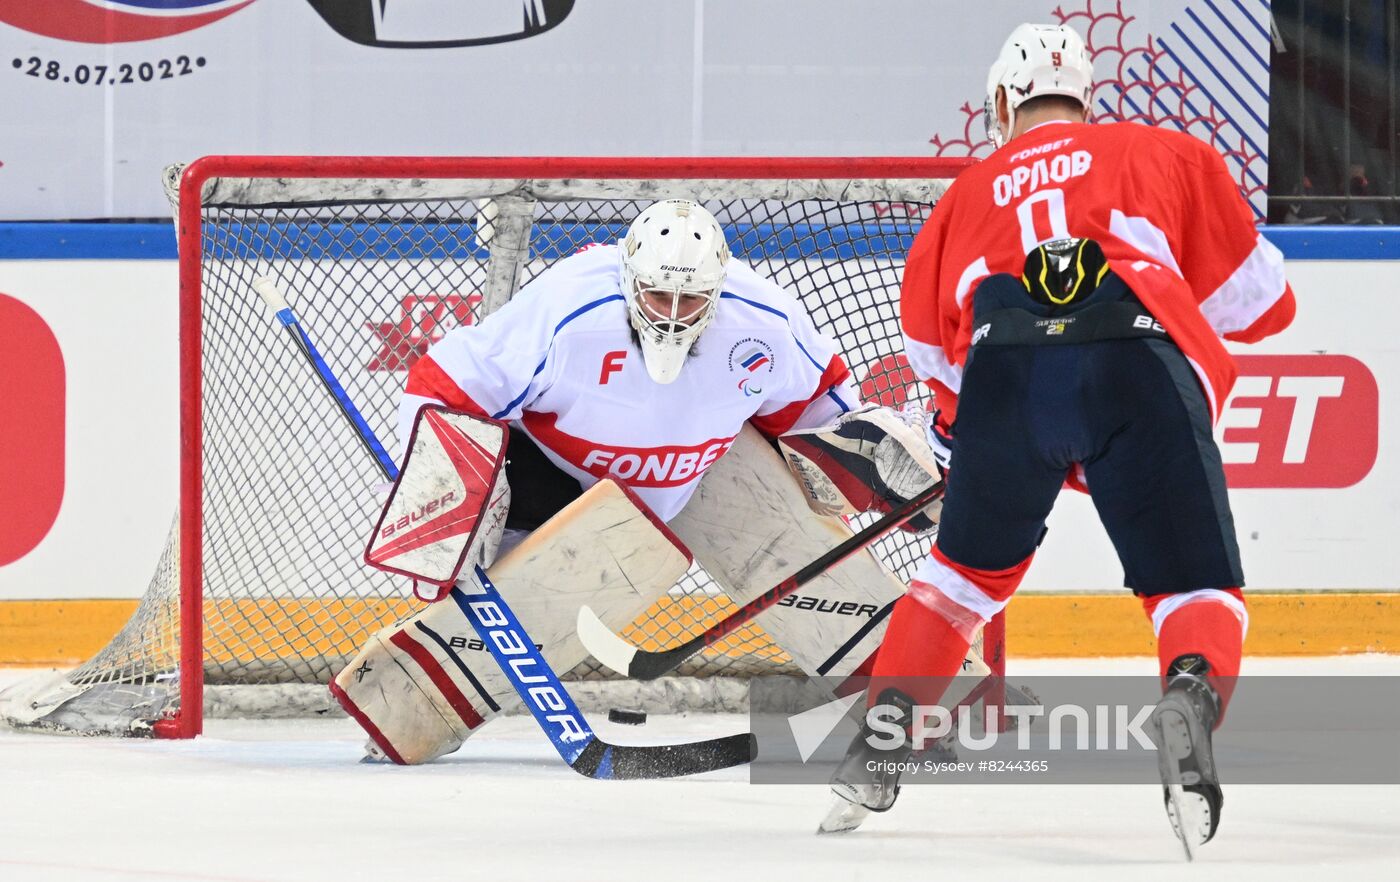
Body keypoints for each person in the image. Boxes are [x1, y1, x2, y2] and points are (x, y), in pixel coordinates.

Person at [821, 23, 1296, 851]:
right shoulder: (1163, 152)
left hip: (1006, 375)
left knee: (961, 580)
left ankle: (880, 737)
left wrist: (959, 441)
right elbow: (1265, 307)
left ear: (1002, 104)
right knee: (1193, 586)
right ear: (1086, 99)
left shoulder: (962, 198)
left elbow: (938, 360)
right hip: (1136, 362)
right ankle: (1188, 697)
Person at [399, 198, 866, 546]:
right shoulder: (571, 310)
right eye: (659, 295)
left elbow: (820, 409)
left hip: (688, 495)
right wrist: (434, 510)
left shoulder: (766, 324)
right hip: (545, 484)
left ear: (718, 289)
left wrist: (872, 479)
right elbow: (446, 385)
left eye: (692, 299)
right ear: (629, 276)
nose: (674, 314)